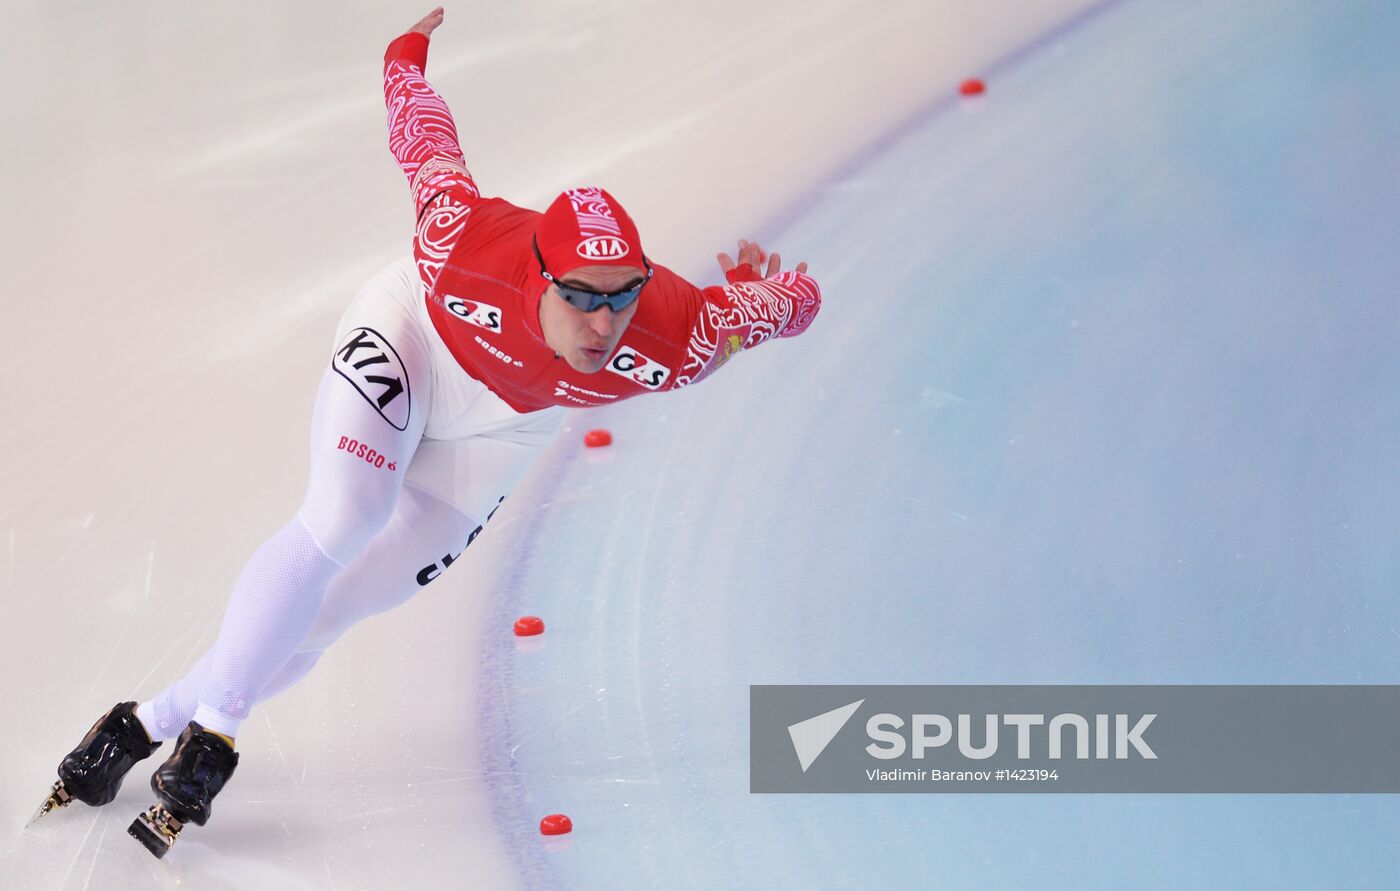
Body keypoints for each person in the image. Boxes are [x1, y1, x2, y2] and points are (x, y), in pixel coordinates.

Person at [35, 6, 820, 858]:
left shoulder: (674, 336)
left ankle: (144, 721)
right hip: (417, 339)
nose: (603, 323)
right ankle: (214, 734)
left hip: (504, 430)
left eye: (622, 295)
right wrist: (404, 53)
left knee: (333, 611)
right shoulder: (463, 244)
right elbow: (423, 138)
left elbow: (793, 304)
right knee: (345, 516)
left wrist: (743, 311)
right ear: (538, 278)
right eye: (583, 297)